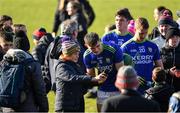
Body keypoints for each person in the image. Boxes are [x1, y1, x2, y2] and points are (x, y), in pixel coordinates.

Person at [1, 30, 49, 112]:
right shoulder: (32, 65)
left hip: (6, 107)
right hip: (27, 108)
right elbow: (40, 90)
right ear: (27, 47)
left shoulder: (4, 62)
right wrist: (44, 109)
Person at [55, 39, 107, 112]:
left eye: (78, 53)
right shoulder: (61, 66)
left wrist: (98, 81)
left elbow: (83, 79)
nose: (78, 56)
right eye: (75, 54)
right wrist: (93, 78)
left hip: (77, 104)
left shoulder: (74, 64)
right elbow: (73, 78)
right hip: (66, 107)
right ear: (67, 54)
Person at [83, 32, 124, 112]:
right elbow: (91, 78)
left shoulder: (114, 49)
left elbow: (121, 72)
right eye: (92, 48)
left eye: (98, 46)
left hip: (117, 88)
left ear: (100, 41)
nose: (96, 50)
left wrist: (122, 90)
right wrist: (97, 79)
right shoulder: (87, 56)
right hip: (102, 89)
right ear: (86, 46)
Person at [121, 17, 163, 94]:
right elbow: (120, 69)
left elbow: (160, 67)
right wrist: (133, 77)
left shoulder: (153, 46)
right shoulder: (126, 47)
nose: (143, 36)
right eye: (141, 33)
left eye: (146, 33)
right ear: (134, 30)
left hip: (150, 89)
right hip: (132, 89)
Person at [161, 27, 180, 92]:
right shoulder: (161, 52)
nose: (175, 39)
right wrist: (168, 72)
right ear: (168, 39)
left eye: (177, 37)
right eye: (172, 37)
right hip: (164, 88)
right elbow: (155, 69)